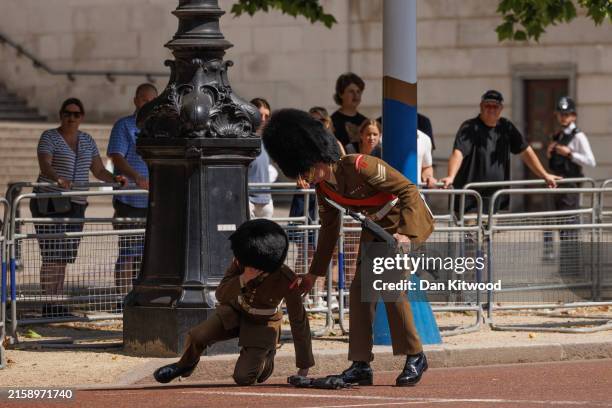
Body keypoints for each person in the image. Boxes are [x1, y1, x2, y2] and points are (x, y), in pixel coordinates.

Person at [263, 109, 434, 387]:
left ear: (318, 158)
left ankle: (415, 356)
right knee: (359, 292)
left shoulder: (360, 165)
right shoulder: (324, 189)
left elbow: (408, 190)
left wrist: (407, 234)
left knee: (391, 287)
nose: (305, 177)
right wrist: (313, 274)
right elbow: (329, 231)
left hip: (405, 222)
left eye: (306, 169)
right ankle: (360, 364)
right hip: (375, 230)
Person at [153, 219, 314, 385]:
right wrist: (243, 278)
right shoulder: (242, 261)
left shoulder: (286, 279)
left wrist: (304, 366)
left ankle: (267, 357)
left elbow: (298, 321)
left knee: (243, 378)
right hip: (235, 311)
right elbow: (221, 295)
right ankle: (184, 365)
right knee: (197, 335)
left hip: (262, 323)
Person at [31, 98, 127, 315]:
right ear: (60, 115)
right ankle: (49, 303)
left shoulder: (87, 140)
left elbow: (98, 170)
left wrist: (114, 179)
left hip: (77, 203)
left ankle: (57, 301)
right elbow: (44, 163)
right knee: (51, 255)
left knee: (63, 255)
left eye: (76, 114)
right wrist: (57, 178)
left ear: (82, 117)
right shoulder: (49, 137)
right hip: (50, 202)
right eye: (67, 113)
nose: (71, 118)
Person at [441, 90, 560, 212]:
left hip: (495, 200)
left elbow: (525, 151)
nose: (491, 109)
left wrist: (544, 175)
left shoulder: (506, 127)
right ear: (481, 106)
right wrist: (451, 176)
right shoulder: (469, 127)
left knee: (492, 231)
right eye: (488, 105)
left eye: (495, 106)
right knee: (474, 231)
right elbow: (458, 152)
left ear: (501, 108)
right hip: (471, 200)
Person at [107, 83, 158, 295]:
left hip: (154, 201)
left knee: (148, 253)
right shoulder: (124, 126)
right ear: (136, 100)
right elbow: (116, 156)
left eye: (152, 101)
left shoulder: (160, 128)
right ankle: (122, 296)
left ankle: (141, 294)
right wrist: (136, 177)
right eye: (144, 100)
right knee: (128, 251)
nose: (148, 104)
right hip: (131, 200)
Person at [544, 96, 596, 261]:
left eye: (567, 114)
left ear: (573, 115)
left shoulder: (578, 136)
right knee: (558, 222)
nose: (563, 117)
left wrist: (570, 153)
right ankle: (565, 263)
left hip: (571, 184)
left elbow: (591, 161)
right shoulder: (558, 135)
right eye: (561, 114)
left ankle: (572, 263)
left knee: (569, 222)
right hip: (557, 183)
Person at [248, 98, 274, 219]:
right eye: (260, 115)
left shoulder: (268, 140)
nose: (263, 119)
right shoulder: (242, 139)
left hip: (266, 201)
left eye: (266, 116)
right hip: (248, 200)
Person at [331, 72, 367, 147]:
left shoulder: (365, 122)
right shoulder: (332, 122)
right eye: (351, 91)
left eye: (358, 91)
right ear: (341, 94)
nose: (356, 95)